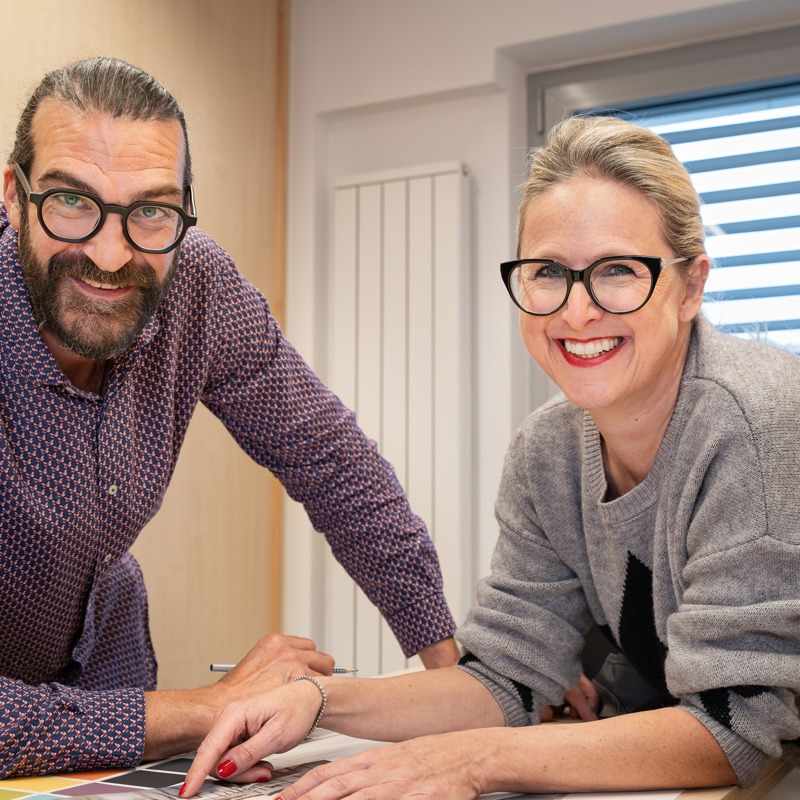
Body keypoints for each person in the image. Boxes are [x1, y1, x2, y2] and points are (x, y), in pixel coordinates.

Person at [182, 115, 800, 798]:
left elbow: (734, 728)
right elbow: (503, 678)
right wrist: (321, 699)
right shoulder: (548, 451)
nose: (575, 310)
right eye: (546, 273)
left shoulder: (754, 421)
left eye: (618, 271)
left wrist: (473, 759)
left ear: (690, 288)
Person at [0, 56, 461, 779]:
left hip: (108, 680)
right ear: (13, 195)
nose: (110, 253)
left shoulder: (199, 282)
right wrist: (211, 707)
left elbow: (330, 457)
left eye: (151, 210)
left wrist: (457, 674)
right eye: (70, 202)